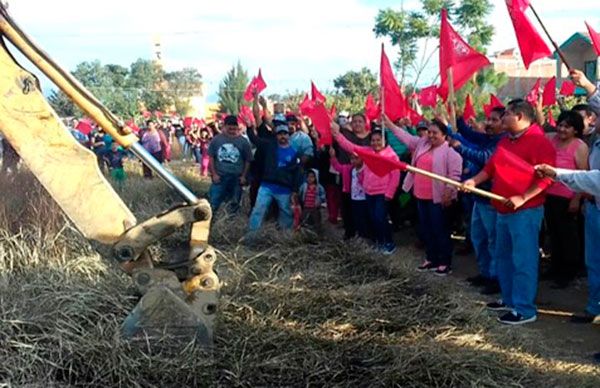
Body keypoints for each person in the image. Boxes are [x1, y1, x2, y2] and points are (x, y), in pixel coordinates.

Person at [464, 99, 556, 325]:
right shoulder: (506, 141)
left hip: (526, 211)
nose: (502, 118)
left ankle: (524, 308)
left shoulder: (539, 142)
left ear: (520, 117)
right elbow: (491, 168)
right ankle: (509, 299)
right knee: (503, 255)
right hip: (502, 208)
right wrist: (473, 181)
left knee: (523, 259)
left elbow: (548, 179)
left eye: (506, 114)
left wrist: (523, 197)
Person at [385, 115, 462, 275]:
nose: (431, 135)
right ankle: (431, 258)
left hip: (438, 198)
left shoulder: (450, 153)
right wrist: (390, 123)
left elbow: (454, 176)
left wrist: (449, 192)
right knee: (426, 229)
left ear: (444, 135)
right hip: (420, 195)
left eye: (435, 133)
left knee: (440, 229)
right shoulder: (422, 143)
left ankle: (444, 262)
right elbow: (404, 136)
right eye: (430, 132)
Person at [449, 106, 506, 294]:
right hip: (479, 197)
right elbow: (469, 134)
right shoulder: (488, 138)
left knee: (492, 240)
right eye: (488, 119)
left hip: (491, 198)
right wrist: (458, 119)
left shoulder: (503, 142)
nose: (489, 123)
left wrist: (460, 148)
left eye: (494, 120)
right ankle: (485, 272)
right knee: (478, 237)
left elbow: (485, 159)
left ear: (504, 123)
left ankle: (496, 277)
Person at [332, 121, 400, 255]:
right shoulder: (367, 152)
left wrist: (389, 192)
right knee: (374, 218)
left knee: (381, 218)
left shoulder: (391, 156)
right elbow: (350, 146)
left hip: (382, 193)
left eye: (378, 140)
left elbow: (395, 176)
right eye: (373, 140)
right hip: (369, 192)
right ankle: (379, 242)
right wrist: (337, 134)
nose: (375, 143)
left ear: (384, 140)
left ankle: (389, 243)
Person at [543, 111, 589, 288]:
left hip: (568, 198)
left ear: (576, 130)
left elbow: (583, 175)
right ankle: (555, 268)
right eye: (560, 125)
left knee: (568, 236)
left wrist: (576, 200)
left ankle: (568, 272)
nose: (562, 129)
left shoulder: (580, 147)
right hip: (549, 195)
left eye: (567, 127)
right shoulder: (551, 139)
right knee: (553, 233)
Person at [246, 119, 303, 234]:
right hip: (266, 186)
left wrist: (294, 190)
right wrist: (249, 128)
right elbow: (255, 140)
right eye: (280, 134)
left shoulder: (294, 152)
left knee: (286, 213)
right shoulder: (269, 146)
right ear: (276, 136)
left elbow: (297, 173)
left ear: (288, 135)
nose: (282, 136)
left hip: (284, 189)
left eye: (285, 134)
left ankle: (285, 237)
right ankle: (251, 237)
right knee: (258, 210)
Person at [207, 115, 252, 214]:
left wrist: (244, 176)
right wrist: (214, 174)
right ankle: (211, 220)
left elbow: (248, 160)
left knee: (234, 203)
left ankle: (231, 221)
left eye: (234, 128)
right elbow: (211, 157)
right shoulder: (216, 140)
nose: (232, 130)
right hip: (220, 176)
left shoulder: (243, 142)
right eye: (229, 128)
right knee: (214, 202)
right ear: (224, 126)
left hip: (236, 177)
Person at [329, 148, 370, 239]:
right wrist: (333, 157)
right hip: (351, 196)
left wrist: (361, 177)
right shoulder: (347, 168)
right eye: (352, 158)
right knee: (353, 216)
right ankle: (356, 234)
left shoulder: (365, 170)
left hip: (363, 198)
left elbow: (366, 183)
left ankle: (365, 235)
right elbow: (337, 167)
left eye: (356, 158)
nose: (354, 161)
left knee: (363, 218)